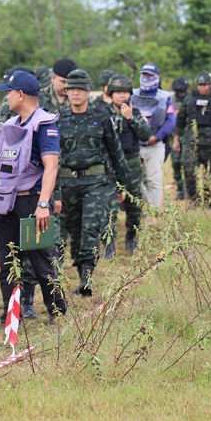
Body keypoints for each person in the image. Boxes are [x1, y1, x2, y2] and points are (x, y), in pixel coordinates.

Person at [0, 71, 66, 323]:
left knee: (41, 263)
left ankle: (57, 312)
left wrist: (43, 204)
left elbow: (51, 166)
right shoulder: (12, 124)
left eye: (9, 92)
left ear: (21, 94)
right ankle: (11, 314)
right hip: (7, 202)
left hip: (32, 202)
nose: (7, 97)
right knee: (8, 262)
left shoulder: (44, 125)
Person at [57, 70, 129, 296]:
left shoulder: (101, 118)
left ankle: (87, 278)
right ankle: (81, 274)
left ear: (88, 91)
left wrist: (121, 184)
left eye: (80, 89)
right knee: (75, 231)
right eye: (71, 89)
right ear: (67, 91)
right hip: (68, 184)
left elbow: (116, 152)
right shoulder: (59, 120)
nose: (75, 93)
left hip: (96, 183)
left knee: (90, 228)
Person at [0, 68, 40, 319]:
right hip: (5, 194)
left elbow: (49, 163)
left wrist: (51, 198)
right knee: (8, 252)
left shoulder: (40, 118)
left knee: (32, 251)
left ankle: (28, 300)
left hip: (31, 195)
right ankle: (11, 306)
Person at [105, 75, 152, 256]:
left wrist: (131, 117)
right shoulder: (104, 113)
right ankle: (109, 243)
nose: (122, 95)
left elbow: (146, 135)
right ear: (111, 94)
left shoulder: (136, 113)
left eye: (125, 92)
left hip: (131, 165)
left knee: (134, 205)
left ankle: (131, 237)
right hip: (110, 166)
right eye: (118, 92)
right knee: (109, 206)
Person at [173, 72, 211, 205]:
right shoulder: (190, 98)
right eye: (200, 85)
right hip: (192, 141)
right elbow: (180, 120)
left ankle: (209, 199)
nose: (202, 88)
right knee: (188, 168)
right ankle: (194, 199)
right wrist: (176, 138)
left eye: (205, 85)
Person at [132, 63, 176, 211]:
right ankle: (144, 208)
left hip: (155, 144)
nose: (146, 78)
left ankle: (154, 212)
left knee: (153, 179)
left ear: (157, 77)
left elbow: (170, 121)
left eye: (150, 76)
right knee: (136, 179)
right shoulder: (132, 95)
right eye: (144, 75)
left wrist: (157, 137)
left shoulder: (165, 98)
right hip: (135, 144)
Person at [169, 77, 190, 200]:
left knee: (188, 164)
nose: (180, 94)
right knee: (176, 164)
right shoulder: (170, 100)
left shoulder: (191, 99)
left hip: (188, 135)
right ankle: (180, 191)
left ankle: (189, 190)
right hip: (174, 135)